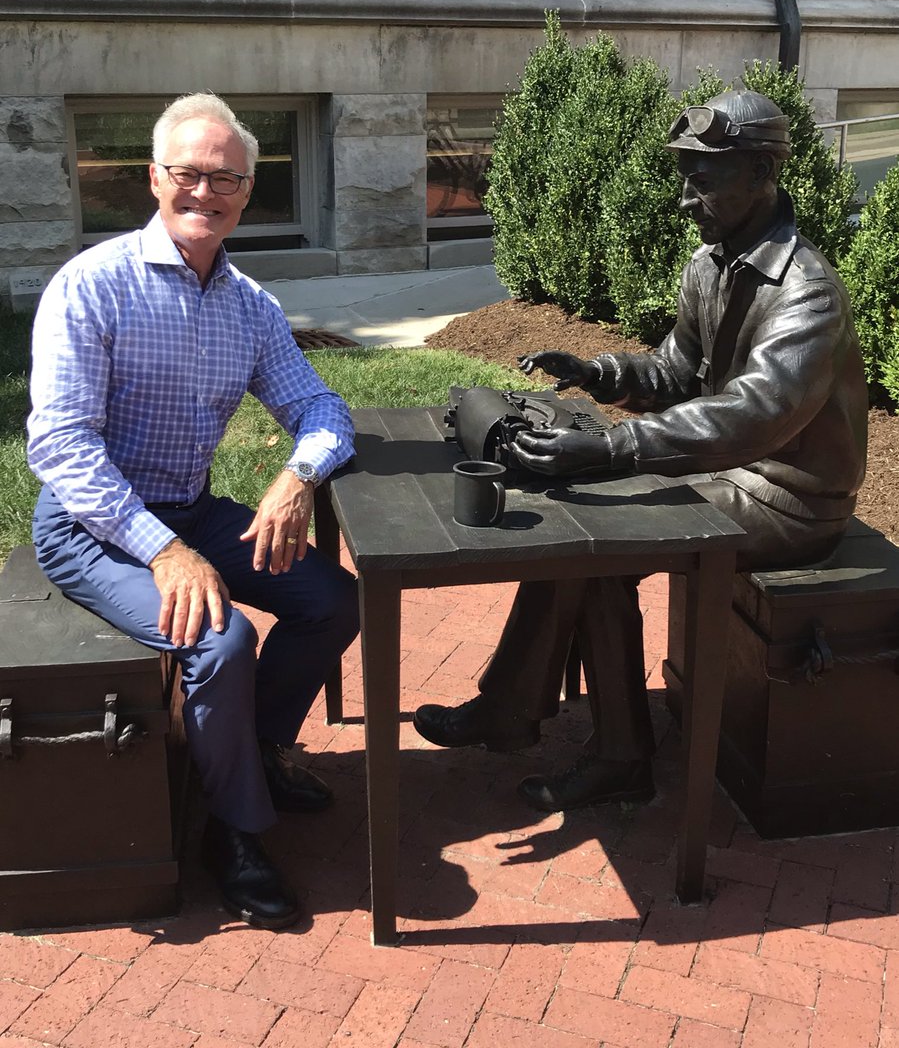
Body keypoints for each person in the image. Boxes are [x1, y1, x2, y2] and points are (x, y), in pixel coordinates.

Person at [414, 89, 868, 812]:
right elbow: (678, 373)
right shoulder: (710, 263)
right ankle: (549, 726)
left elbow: (755, 415)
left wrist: (612, 449)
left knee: (599, 535)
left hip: (787, 498)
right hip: (728, 470)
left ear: (759, 172)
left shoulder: (806, 292)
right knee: (585, 531)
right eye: (682, 176)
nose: (686, 198)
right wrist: (596, 372)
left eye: (702, 178)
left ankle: (598, 747)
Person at [27, 93, 359, 929]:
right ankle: (237, 833)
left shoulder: (248, 303)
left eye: (227, 179)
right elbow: (61, 446)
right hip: (90, 527)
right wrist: (163, 550)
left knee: (330, 601)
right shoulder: (91, 287)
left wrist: (299, 478)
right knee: (221, 641)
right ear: (154, 178)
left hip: (192, 508)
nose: (205, 192)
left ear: (248, 192)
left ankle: (254, 751)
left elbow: (321, 407)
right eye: (188, 173)